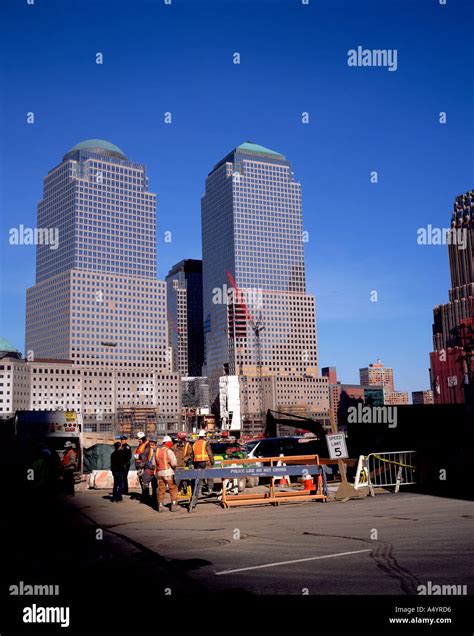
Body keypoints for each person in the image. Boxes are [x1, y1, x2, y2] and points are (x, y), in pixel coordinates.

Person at [155, 436, 179, 512]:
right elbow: (174, 463)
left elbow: (153, 463)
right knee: (173, 488)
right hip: (168, 473)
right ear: (168, 443)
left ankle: (160, 506)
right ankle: (174, 505)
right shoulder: (169, 451)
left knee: (161, 489)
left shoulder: (157, 451)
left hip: (160, 473)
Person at [192, 430, 215, 495]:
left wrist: (194, 464)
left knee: (199, 477)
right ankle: (210, 490)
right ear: (204, 436)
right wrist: (212, 462)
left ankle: (199, 491)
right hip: (205, 461)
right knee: (209, 475)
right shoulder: (205, 443)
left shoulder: (194, 444)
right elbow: (209, 453)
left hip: (197, 463)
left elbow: (192, 455)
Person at [172, 431, 192, 496]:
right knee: (177, 481)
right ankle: (177, 491)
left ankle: (184, 489)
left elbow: (191, 455)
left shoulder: (187, 446)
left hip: (184, 466)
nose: (182, 440)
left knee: (185, 480)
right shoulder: (175, 446)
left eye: (183, 438)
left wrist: (187, 457)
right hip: (176, 466)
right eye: (180, 438)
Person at [141, 438, 158, 505]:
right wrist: (146, 464)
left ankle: (154, 499)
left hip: (155, 470)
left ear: (155, 442)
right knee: (145, 484)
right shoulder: (148, 449)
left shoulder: (157, 449)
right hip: (149, 469)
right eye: (150, 442)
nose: (151, 443)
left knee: (155, 485)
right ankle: (146, 498)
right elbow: (143, 457)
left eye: (152, 442)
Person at [134, 432, 149, 500]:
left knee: (144, 481)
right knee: (141, 481)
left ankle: (146, 496)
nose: (138, 440)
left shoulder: (146, 445)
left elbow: (145, 455)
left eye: (139, 439)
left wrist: (139, 456)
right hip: (139, 465)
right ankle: (144, 494)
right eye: (138, 439)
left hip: (144, 466)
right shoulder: (140, 445)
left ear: (143, 438)